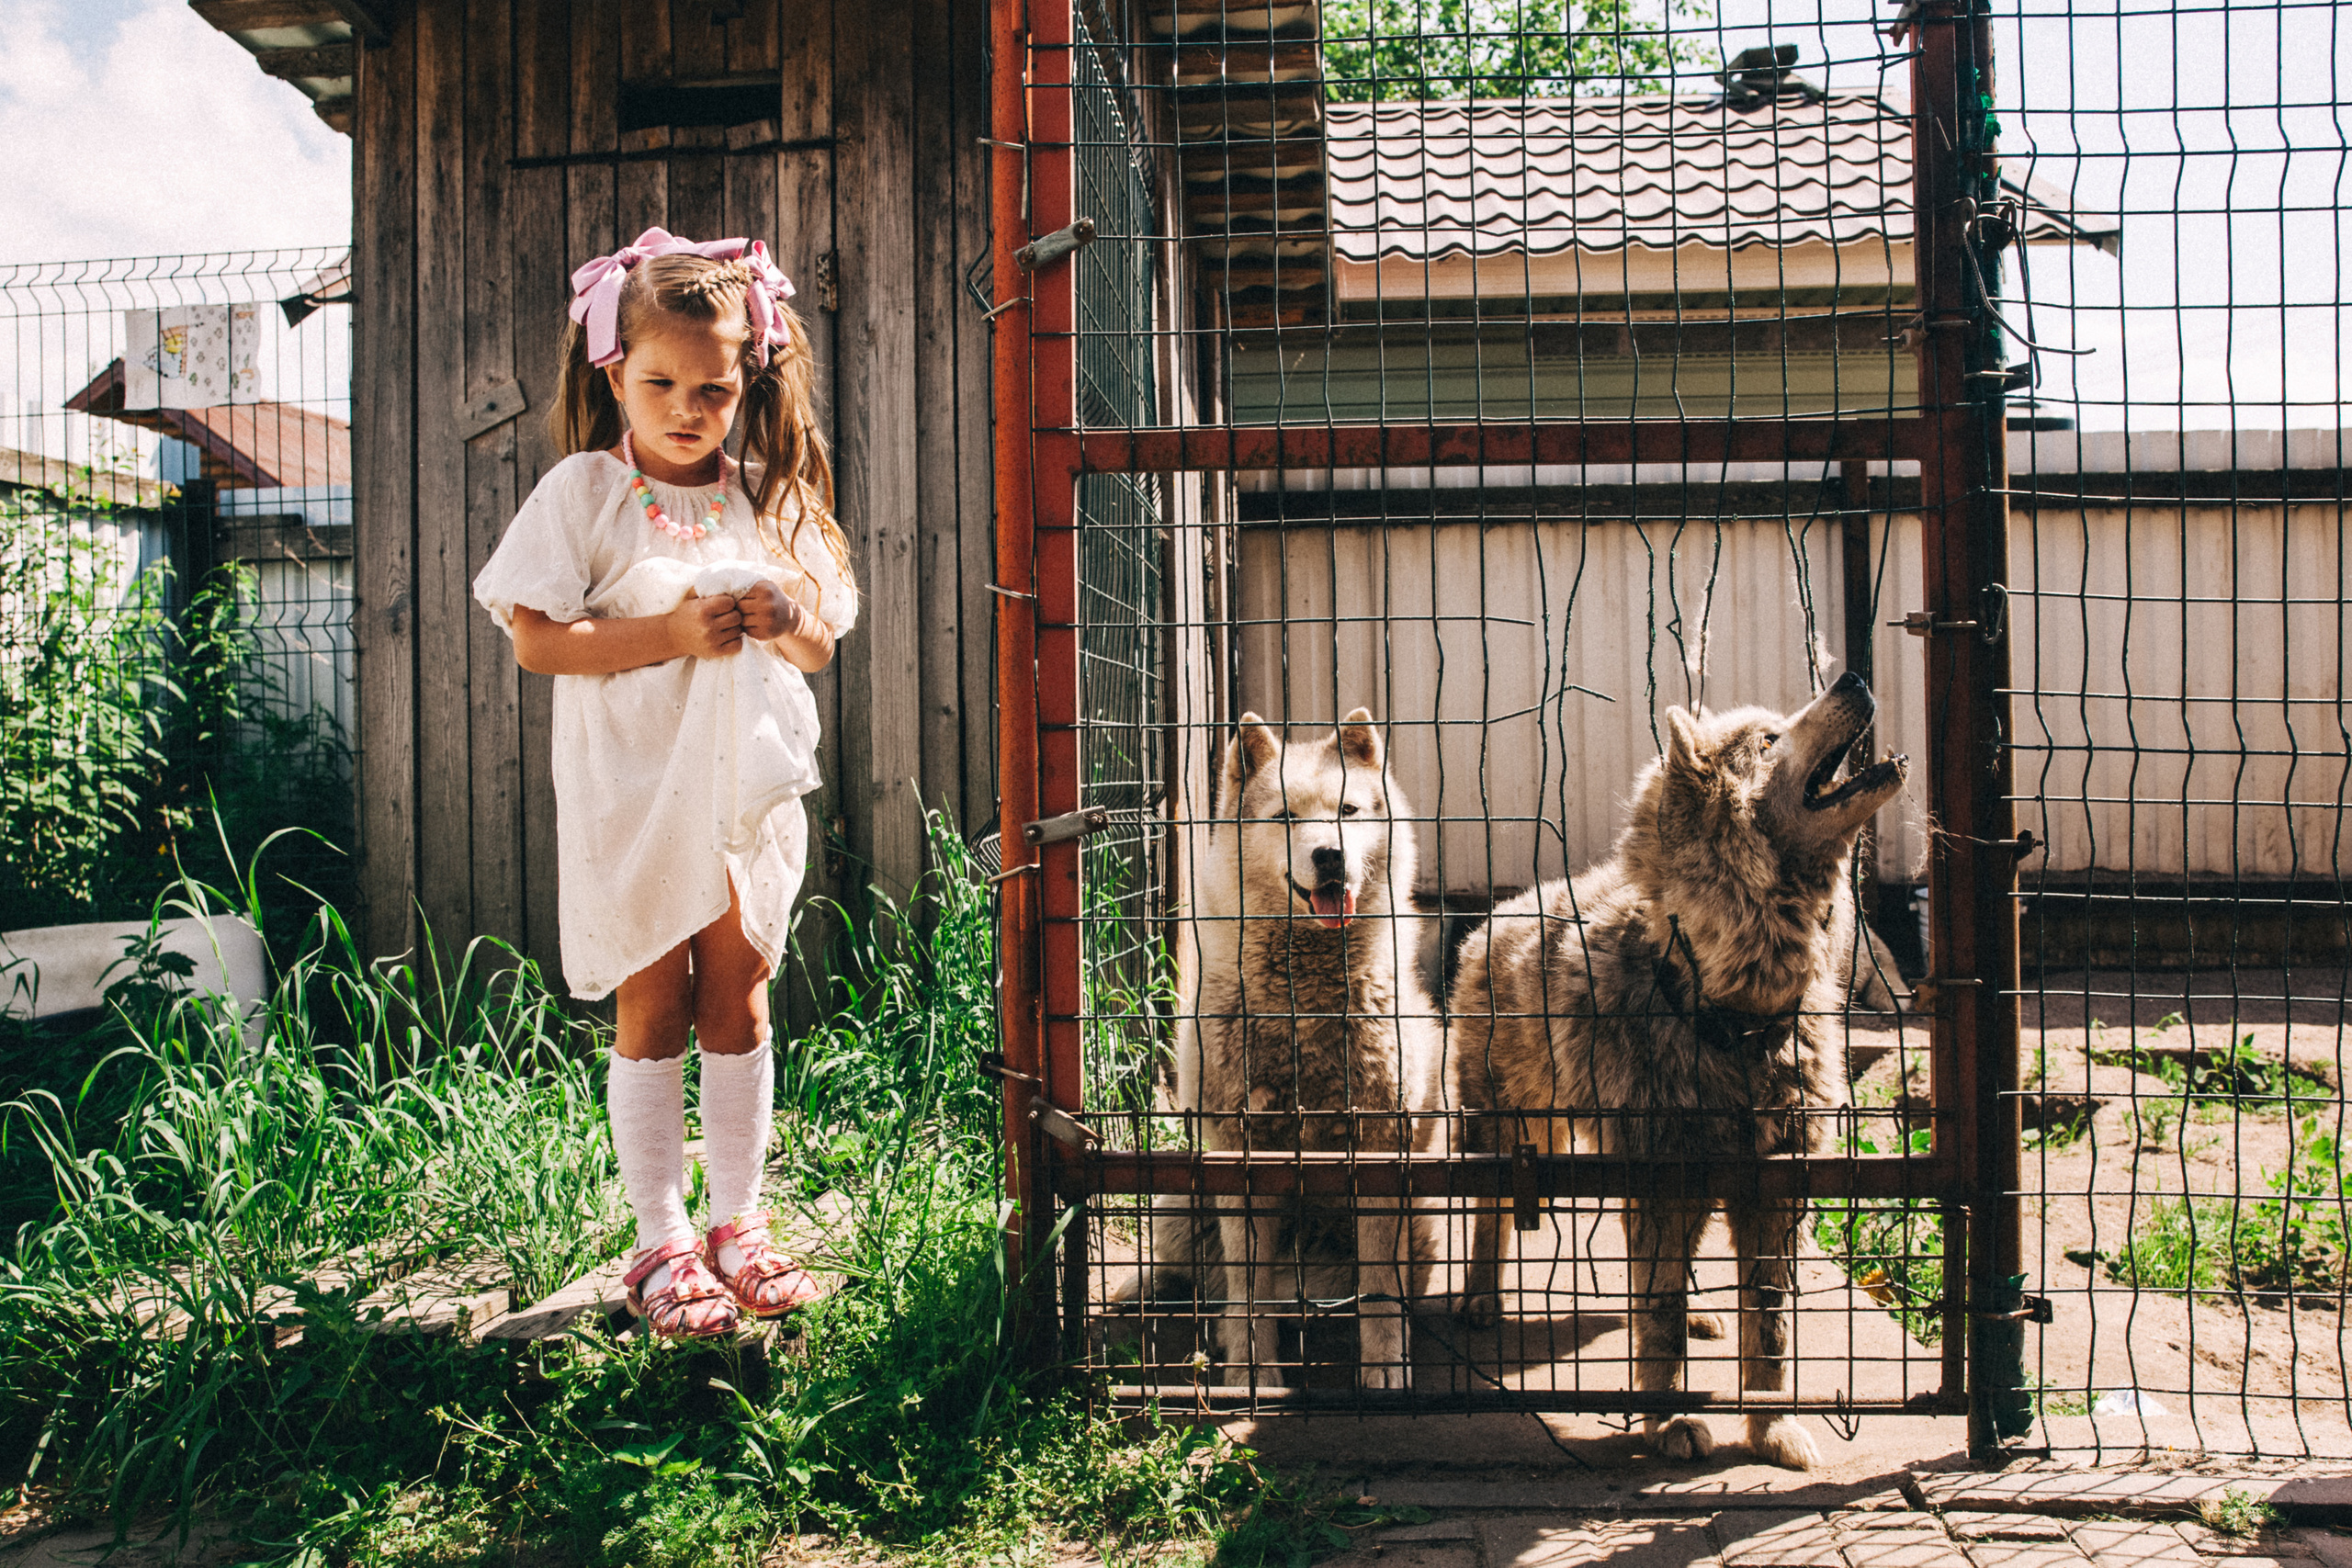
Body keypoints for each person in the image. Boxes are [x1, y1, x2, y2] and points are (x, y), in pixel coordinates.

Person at [473, 228, 857, 1339]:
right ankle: (659, 1238)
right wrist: (675, 630)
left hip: (739, 795)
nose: (686, 407)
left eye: (712, 388)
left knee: (738, 998)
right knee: (651, 1003)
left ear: (748, 383)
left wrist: (785, 617)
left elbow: (820, 647)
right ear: (614, 375)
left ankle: (738, 1220)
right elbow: (541, 644)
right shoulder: (581, 493)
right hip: (632, 792)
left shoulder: (768, 500)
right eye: (660, 383)